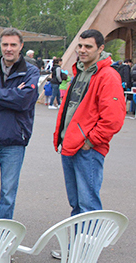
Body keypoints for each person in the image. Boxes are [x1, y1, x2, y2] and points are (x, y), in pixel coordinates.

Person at [54, 29, 125, 217]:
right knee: (77, 204)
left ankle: (89, 245)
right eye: (80, 46)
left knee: (88, 205)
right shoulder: (80, 72)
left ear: (100, 48)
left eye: (88, 46)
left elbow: (113, 118)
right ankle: (77, 246)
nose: (82, 50)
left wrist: (90, 141)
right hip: (70, 145)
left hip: (87, 149)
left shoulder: (107, 76)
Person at [0, 28, 39, 220]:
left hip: (14, 141)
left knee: (8, 195)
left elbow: (24, 101)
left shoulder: (31, 71)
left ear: (21, 46)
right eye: (5, 45)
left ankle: (1, 236)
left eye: (13, 45)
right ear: (0, 45)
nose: (8, 49)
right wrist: (11, 94)